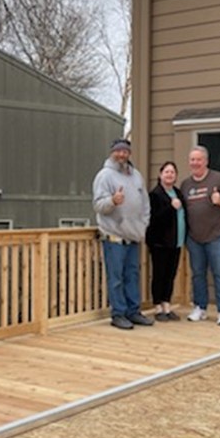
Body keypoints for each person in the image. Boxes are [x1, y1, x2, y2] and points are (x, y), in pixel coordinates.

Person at [92, 138, 154, 329]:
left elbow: (145, 204)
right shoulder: (104, 176)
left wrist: (143, 226)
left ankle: (133, 312)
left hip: (133, 237)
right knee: (116, 278)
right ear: (112, 152)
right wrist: (113, 200)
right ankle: (118, 314)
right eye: (118, 151)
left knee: (133, 276)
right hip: (114, 237)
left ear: (129, 153)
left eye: (125, 151)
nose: (122, 154)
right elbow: (98, 205)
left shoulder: (136, 176)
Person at [180, 145, 220, 326]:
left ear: (206, 161)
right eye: (192, 160)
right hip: (194, 237)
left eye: (198, 159)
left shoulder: (219, 179)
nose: (195, 163)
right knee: (198, 274)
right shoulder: (186, 185)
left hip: (216, 236)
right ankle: (200, 308)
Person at [146, 161, 186, 321]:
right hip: (160, 242)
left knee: (171, 274)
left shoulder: (178, 193)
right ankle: (157, 307)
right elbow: (154, 219)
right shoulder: (155, 194)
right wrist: (171, 207)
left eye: (172, 172)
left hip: (176, 242)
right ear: (160, 175)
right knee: (159, 274)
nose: (170, 175)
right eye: (166, 172)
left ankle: (167, 305)